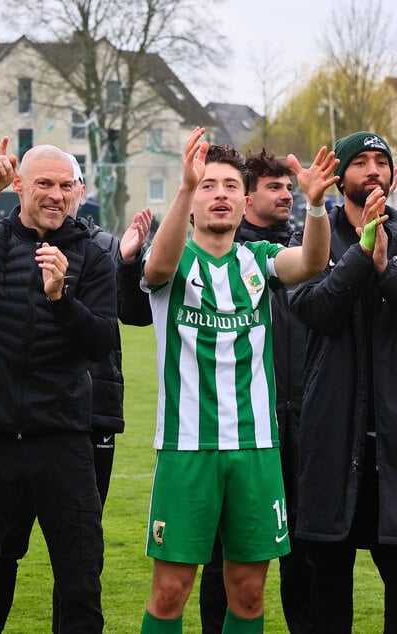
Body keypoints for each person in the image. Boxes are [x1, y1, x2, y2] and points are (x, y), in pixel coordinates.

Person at [0, 152, 152, 632]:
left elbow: (99, 341)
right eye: (44, 184)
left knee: (79, 585)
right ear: (19, 184)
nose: (56, 195)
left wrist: (61, 297)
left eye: (65, 186)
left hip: (62, 437)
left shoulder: (94, 253)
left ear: (77, 190)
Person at [138, 127, 335, 633]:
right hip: (188, 449)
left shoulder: (259, 261)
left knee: (248, 595)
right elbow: (156, 267)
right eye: (208, 185)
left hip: (257, 448)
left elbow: (312, 263)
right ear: (194, 197)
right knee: (169, 592)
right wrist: (182, 187)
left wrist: (315, 205)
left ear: (243, 200)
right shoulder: (174, 258)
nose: (219, 194)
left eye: (229, 185)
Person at [198, 150, 312, 633]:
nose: (287, 195)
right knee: (222, 555)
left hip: (305, 420)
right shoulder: (227, 256)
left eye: (290, 187)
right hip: (241, 427)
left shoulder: (300, 251)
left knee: (302, 549)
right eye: (275, 187)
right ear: (247, 199)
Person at [289, 130, 397, 632]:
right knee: (328, 591)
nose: (373, 170)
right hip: (333, 440)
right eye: (361, 162)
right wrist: (362, 255)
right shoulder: (313, 237)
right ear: (339, 177)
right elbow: (313, 309)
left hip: (393, 447)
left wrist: (387, 270)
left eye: (382, 162)